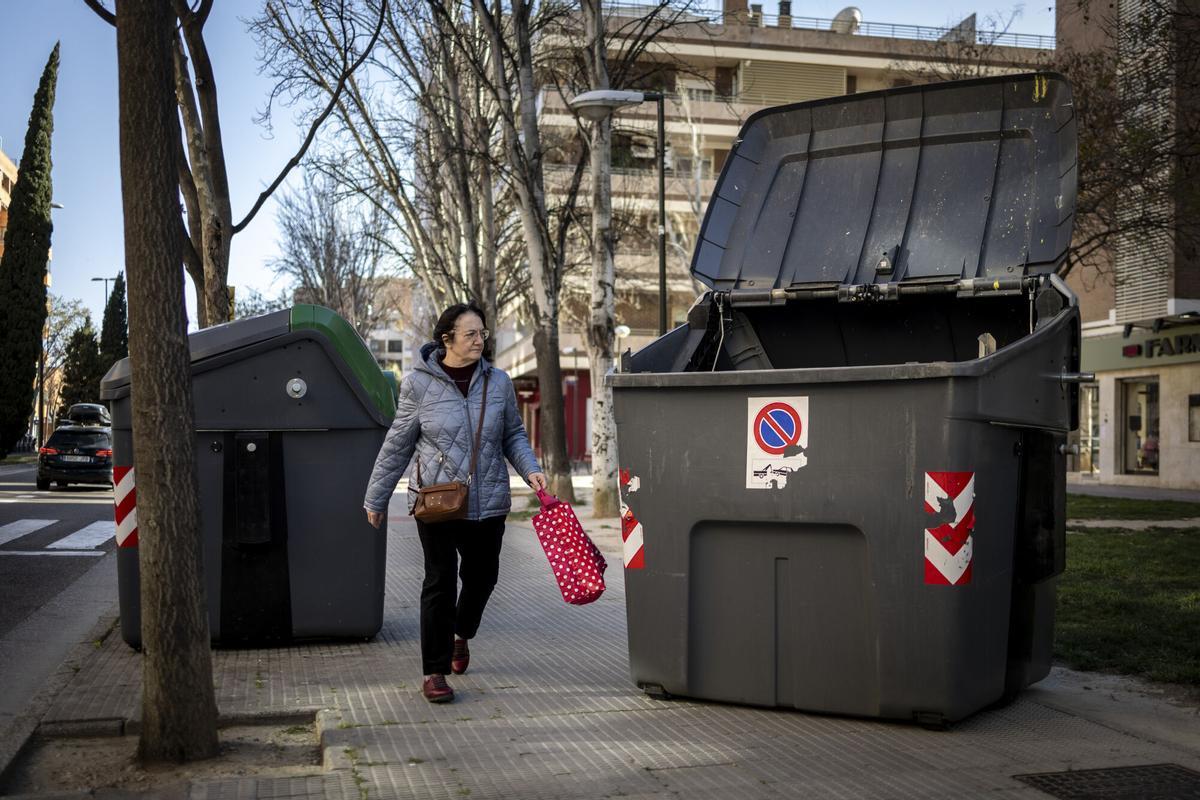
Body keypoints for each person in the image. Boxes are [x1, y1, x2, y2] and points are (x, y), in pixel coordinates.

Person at [363, 303, 547, 704]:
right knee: (439, 582)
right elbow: (398, 444)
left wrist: (531, 469)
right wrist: (376, 496)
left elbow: (513, 434)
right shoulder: (418, 384)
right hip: (438, 501)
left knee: (482, 578)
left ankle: (461, 634)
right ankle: (434, 671)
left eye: (482, 333)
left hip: (490, 499)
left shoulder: (498, 382)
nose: (480, 340)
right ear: (446, 339)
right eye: (471, 334)